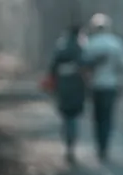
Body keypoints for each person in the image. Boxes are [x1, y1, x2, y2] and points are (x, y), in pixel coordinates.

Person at [82, 13, 123, 163]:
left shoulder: (90, 43)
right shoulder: (116, 43)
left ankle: (99, 146)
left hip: (95, 85)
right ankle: (105, 146)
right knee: (108, 116)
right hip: (111, 85)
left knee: (97, 117)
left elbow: (83, 64)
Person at [49, 24, 87, 164]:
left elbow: (53, 68)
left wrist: (54, 84)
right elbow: (85, 67)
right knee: (74, 117)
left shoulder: (61, 47)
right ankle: (71, 144)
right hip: (77, 87)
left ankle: (67, 141)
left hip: (63, 86)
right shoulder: (81, 49)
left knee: (65, 115)